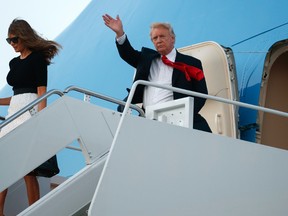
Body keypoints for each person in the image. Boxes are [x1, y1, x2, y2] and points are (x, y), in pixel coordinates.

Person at [102, 14, 211, 132]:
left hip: (178, 121)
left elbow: (201, 94)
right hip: (148, 121)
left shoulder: (191, 62)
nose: (158, 40)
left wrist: (185, 115)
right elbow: (127, 53)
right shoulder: (147, 59)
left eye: (162, 36)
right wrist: (120, 34)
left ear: (172, 38)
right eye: (155, 38)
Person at [0, 18, 61, 216]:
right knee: (4, 165)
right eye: (9, 41)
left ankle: (35, 210)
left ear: (24, 36)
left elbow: (41, 92)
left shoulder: (37, 59)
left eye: (14, 39)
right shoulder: (13, 63)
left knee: (27, 169)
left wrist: (41, 119)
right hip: (14, 112)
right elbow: (17, 95)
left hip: (30, 112)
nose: (12, 44)